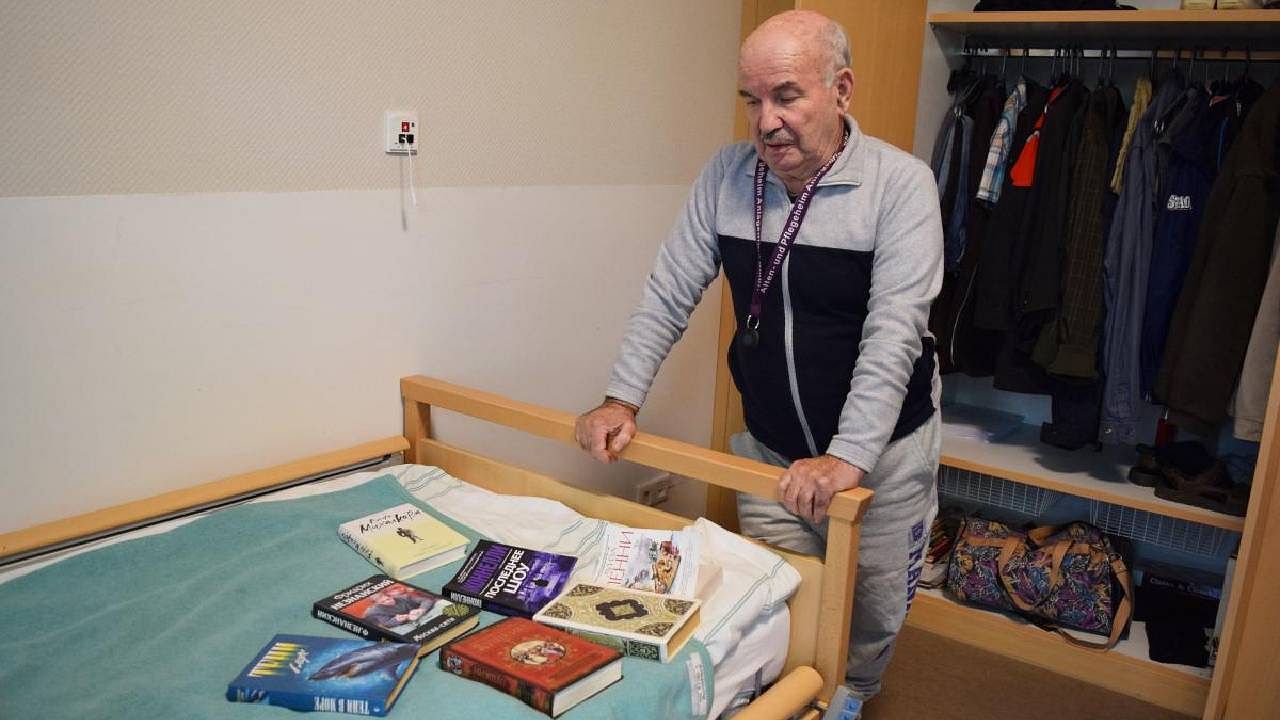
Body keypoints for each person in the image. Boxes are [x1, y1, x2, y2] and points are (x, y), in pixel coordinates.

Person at [574, 10, 942, 700]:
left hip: (882, 453)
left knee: (871, 616)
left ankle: (851, 701)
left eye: (786, 95)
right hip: (770, 446)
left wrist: (847, 457)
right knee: (785, 603)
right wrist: (622, 397)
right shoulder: (727, 175)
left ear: (842, 90)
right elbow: (669, 290)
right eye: (752, 100)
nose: (765, 121)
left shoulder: (901, 186)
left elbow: (894, 332)